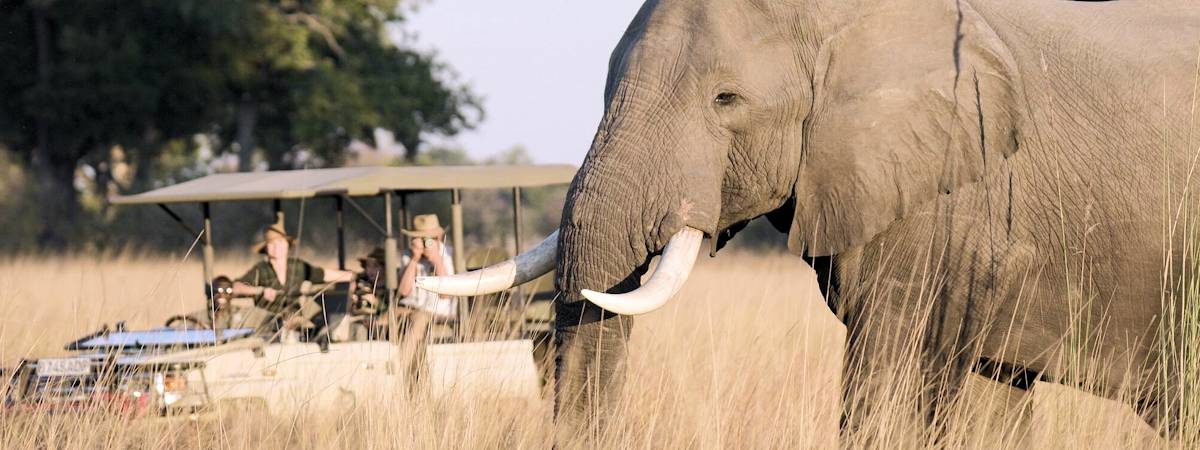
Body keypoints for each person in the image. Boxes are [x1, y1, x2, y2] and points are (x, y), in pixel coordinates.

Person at [232, 219, 353, 320]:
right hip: (269, 323)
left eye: (279, 242)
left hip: (296, 320)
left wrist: (351, 276)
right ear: (266, 248)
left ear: (287, 245)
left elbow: (324, 274)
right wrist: (260, 291)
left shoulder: (298, 266)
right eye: (271, 243)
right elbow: (236, 287)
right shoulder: (260, 269)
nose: (276, 246)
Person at [395, 214, 456, 369]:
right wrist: (414, 260)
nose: (425, 243)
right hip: (408, 310)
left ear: (438, 237)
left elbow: (446, 294)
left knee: (420, 318)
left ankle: (400, 364)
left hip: (435, 312)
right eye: (420, 238)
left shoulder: (447, 254)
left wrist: (436, 260)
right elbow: (404, 291)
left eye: (429, 239)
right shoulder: (408, 255)